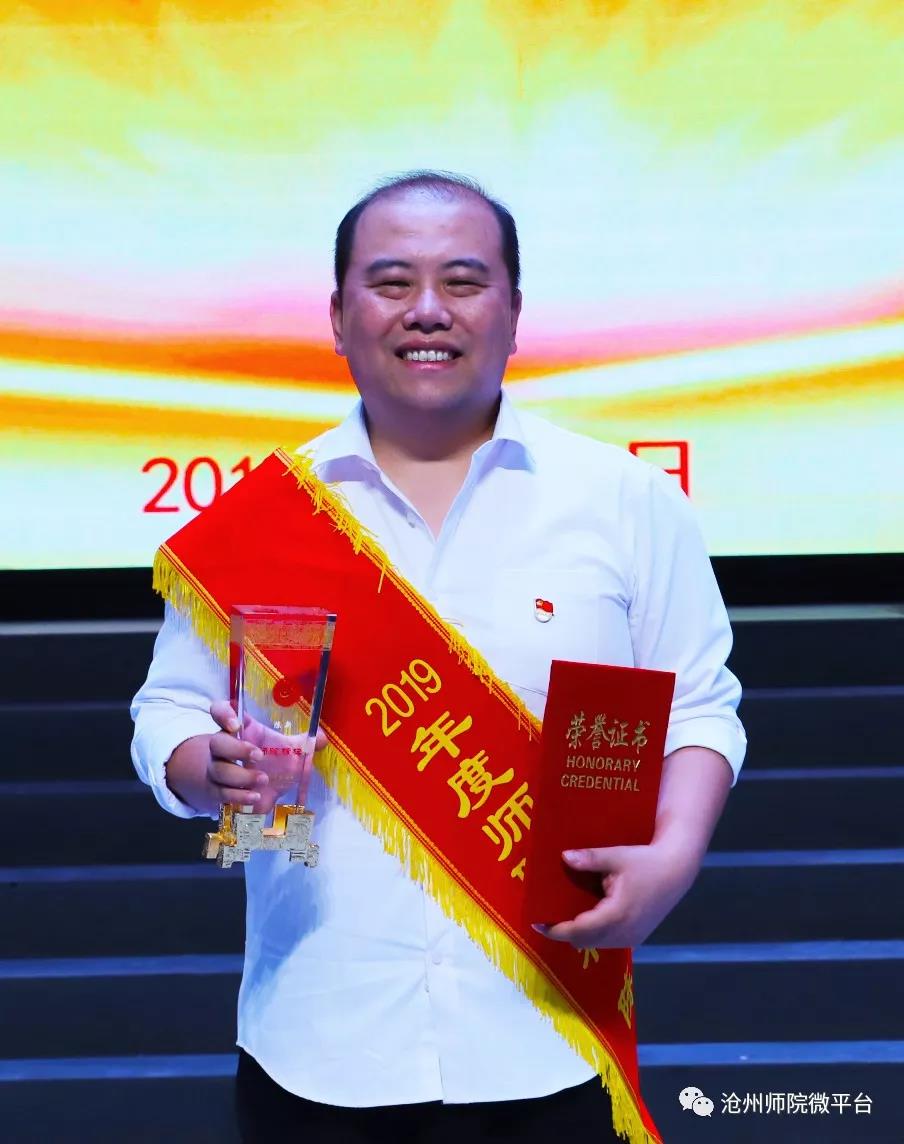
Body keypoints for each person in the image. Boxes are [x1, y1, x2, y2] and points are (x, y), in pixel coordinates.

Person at [131, 171, 746, 1143]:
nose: (427, 310)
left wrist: (672, 856)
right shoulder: (262, 519)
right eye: (391, 282)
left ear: (514, 311)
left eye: (462, 281)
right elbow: (166, 709)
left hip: (550, 1033)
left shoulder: (623, 502)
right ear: (338, 317)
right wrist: (208, 767)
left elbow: (699, 704)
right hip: (317, 1043)